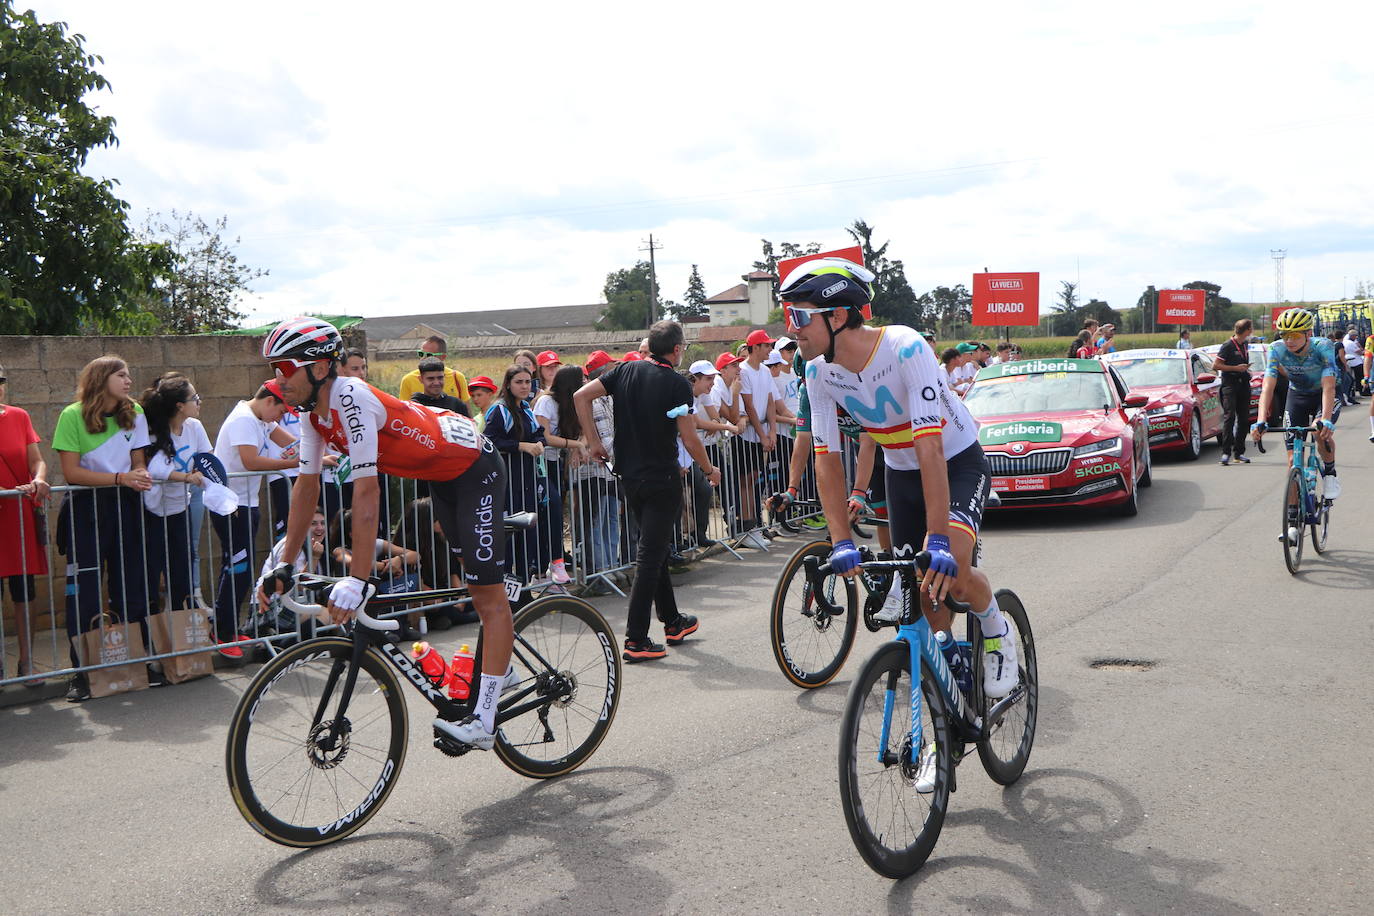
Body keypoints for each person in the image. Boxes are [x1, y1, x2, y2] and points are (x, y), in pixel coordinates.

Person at [780, 258, 1020, 765]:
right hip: (902, 471)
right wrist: (842, 540)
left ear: (838, 317)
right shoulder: (818, 372)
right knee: (923, 599)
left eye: (800, 317)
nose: (791, 330)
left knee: (949, 568)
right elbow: (826, 457)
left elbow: (930, 447)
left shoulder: (906, 346)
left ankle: (995, 628)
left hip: (954, 460)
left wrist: (937, 538)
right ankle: (945, 694)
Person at [257, 316, 516, 751]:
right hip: (442, 477)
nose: (275, 381)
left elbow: (367, 492)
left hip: (476, 470)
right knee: (472, 583)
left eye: (283, 369)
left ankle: (484, 720)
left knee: (487, 594)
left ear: (319, 368)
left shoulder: (350, 397)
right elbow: (305, 487)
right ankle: (500, 666)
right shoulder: (311, 414)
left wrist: (358, 579)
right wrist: (285, 562)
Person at [574, 319, 721, 662]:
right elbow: (688, 435)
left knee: (653, 551)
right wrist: (709, 469)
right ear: (677, 349)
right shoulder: (676, 383)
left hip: (630, 476)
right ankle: (636, 639)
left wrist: (594, 443)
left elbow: (580, 396)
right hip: (661, 478)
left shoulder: (625, 370)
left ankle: (672, 621)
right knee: (649, 556)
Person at [52, 356, 153, 701]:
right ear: (101, 378)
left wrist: (137, 473)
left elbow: (138, 458)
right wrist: (121, 477)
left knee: (131, 584)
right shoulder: (71, 415)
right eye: (121, 374)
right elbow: (72, 473)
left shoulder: (135, 411)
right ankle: (81, 673)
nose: (128, 380)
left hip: (125, 504)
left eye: (128, 373)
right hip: (86, 508)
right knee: (85, 591)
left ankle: (135, 663)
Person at [211, 380, 300, 656]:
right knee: (237, 567)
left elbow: (292, 442)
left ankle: (229, 626)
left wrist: (318, 453)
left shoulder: (262, 419)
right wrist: (295, 462)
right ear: (269, 401)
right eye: (281, 411)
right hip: (230, 505)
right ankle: (221, 631)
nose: (281, 418)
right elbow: (251, 461)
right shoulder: (244, 420)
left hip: (247, 503)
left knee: (244, 568)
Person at [1252, 309, 1343, 531]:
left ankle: (1330, 473)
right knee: (1293, 460)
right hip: (1298, 396)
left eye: (1294, 335)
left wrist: (1327, 419)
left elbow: (1329, 385)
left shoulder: (1323, 346)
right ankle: (1292, 521)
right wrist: (1261, 419)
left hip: (1325, 393)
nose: (1289, 340)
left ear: (1308, 333)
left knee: (1316, 430)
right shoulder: (1276, 349)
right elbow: (1267, 386)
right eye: (1285, 335)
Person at [140, 376, 210, 618]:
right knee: (150, 573)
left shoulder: (194, 427)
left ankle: (182, 631)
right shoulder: (153, 430)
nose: (199, 401)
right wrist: (186, 477)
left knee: (181, 573)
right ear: (179, 405)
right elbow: (157, 469)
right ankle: (148, 635)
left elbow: (207, 459)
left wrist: (205, 475)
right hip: (152, 512)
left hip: (180, 508)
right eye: (194, 398)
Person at [0, 364, 50, 684]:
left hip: (17, 516)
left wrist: (40, 480)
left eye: (1, 379)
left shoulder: (19, 416)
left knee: (24, 592)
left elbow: (37, 461)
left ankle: (27, 663)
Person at [483, 365, 549, 583]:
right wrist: (520, 446)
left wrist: (539, 443)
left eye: (527, 382)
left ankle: (523, 587)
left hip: (527, 480)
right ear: (508, 384)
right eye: (519, 382)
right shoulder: (499, 410)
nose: (524, 386)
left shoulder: (527, 409)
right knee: (510, 535)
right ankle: (507, 589)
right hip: (507, 482)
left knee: (526, 535)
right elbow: (490, 440)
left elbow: (539, 433)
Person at [533, 366, 585, 585]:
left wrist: (575, 447)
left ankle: (550, 567)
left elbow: (581, 431)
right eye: (580, 381)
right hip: (540, 465)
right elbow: (544, 437)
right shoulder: (546, 402)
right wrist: (575, 445)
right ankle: (550, 564)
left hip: (556, 464)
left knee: (554, 511)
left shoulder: (572, 404)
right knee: (551, 509)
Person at [1213, 319, 1254, 466]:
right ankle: (1225, 453)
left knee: (1244, 419)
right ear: (1247, 330)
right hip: (1230, 385)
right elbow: (1216, 365)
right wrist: (1236, 368)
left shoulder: (1245, 344)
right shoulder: (1228, 345)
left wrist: (1246, 370)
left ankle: (1239, 452)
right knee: (1229, 417)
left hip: (1244, 384)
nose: (1252, 331)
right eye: (1251, 328)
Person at [398, 335, 470, 404]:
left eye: (429, 355)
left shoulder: (457, 377)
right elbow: (404, 411)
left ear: (443, 357)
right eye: (421, 354)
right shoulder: (408, 380)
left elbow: (466, 412)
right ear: (421, 379)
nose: (423, 358)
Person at [1339, 328, 1364, 406]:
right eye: (1355, 335)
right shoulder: (1345, 343)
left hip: (1349, 362)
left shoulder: (1345, 342)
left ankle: (1349, 396)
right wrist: (1345, 365)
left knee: (1350, 380)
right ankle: (1347, 397)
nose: (1356, 337)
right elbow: (1359, 351)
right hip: (1354, 362)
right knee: (1352, 379)